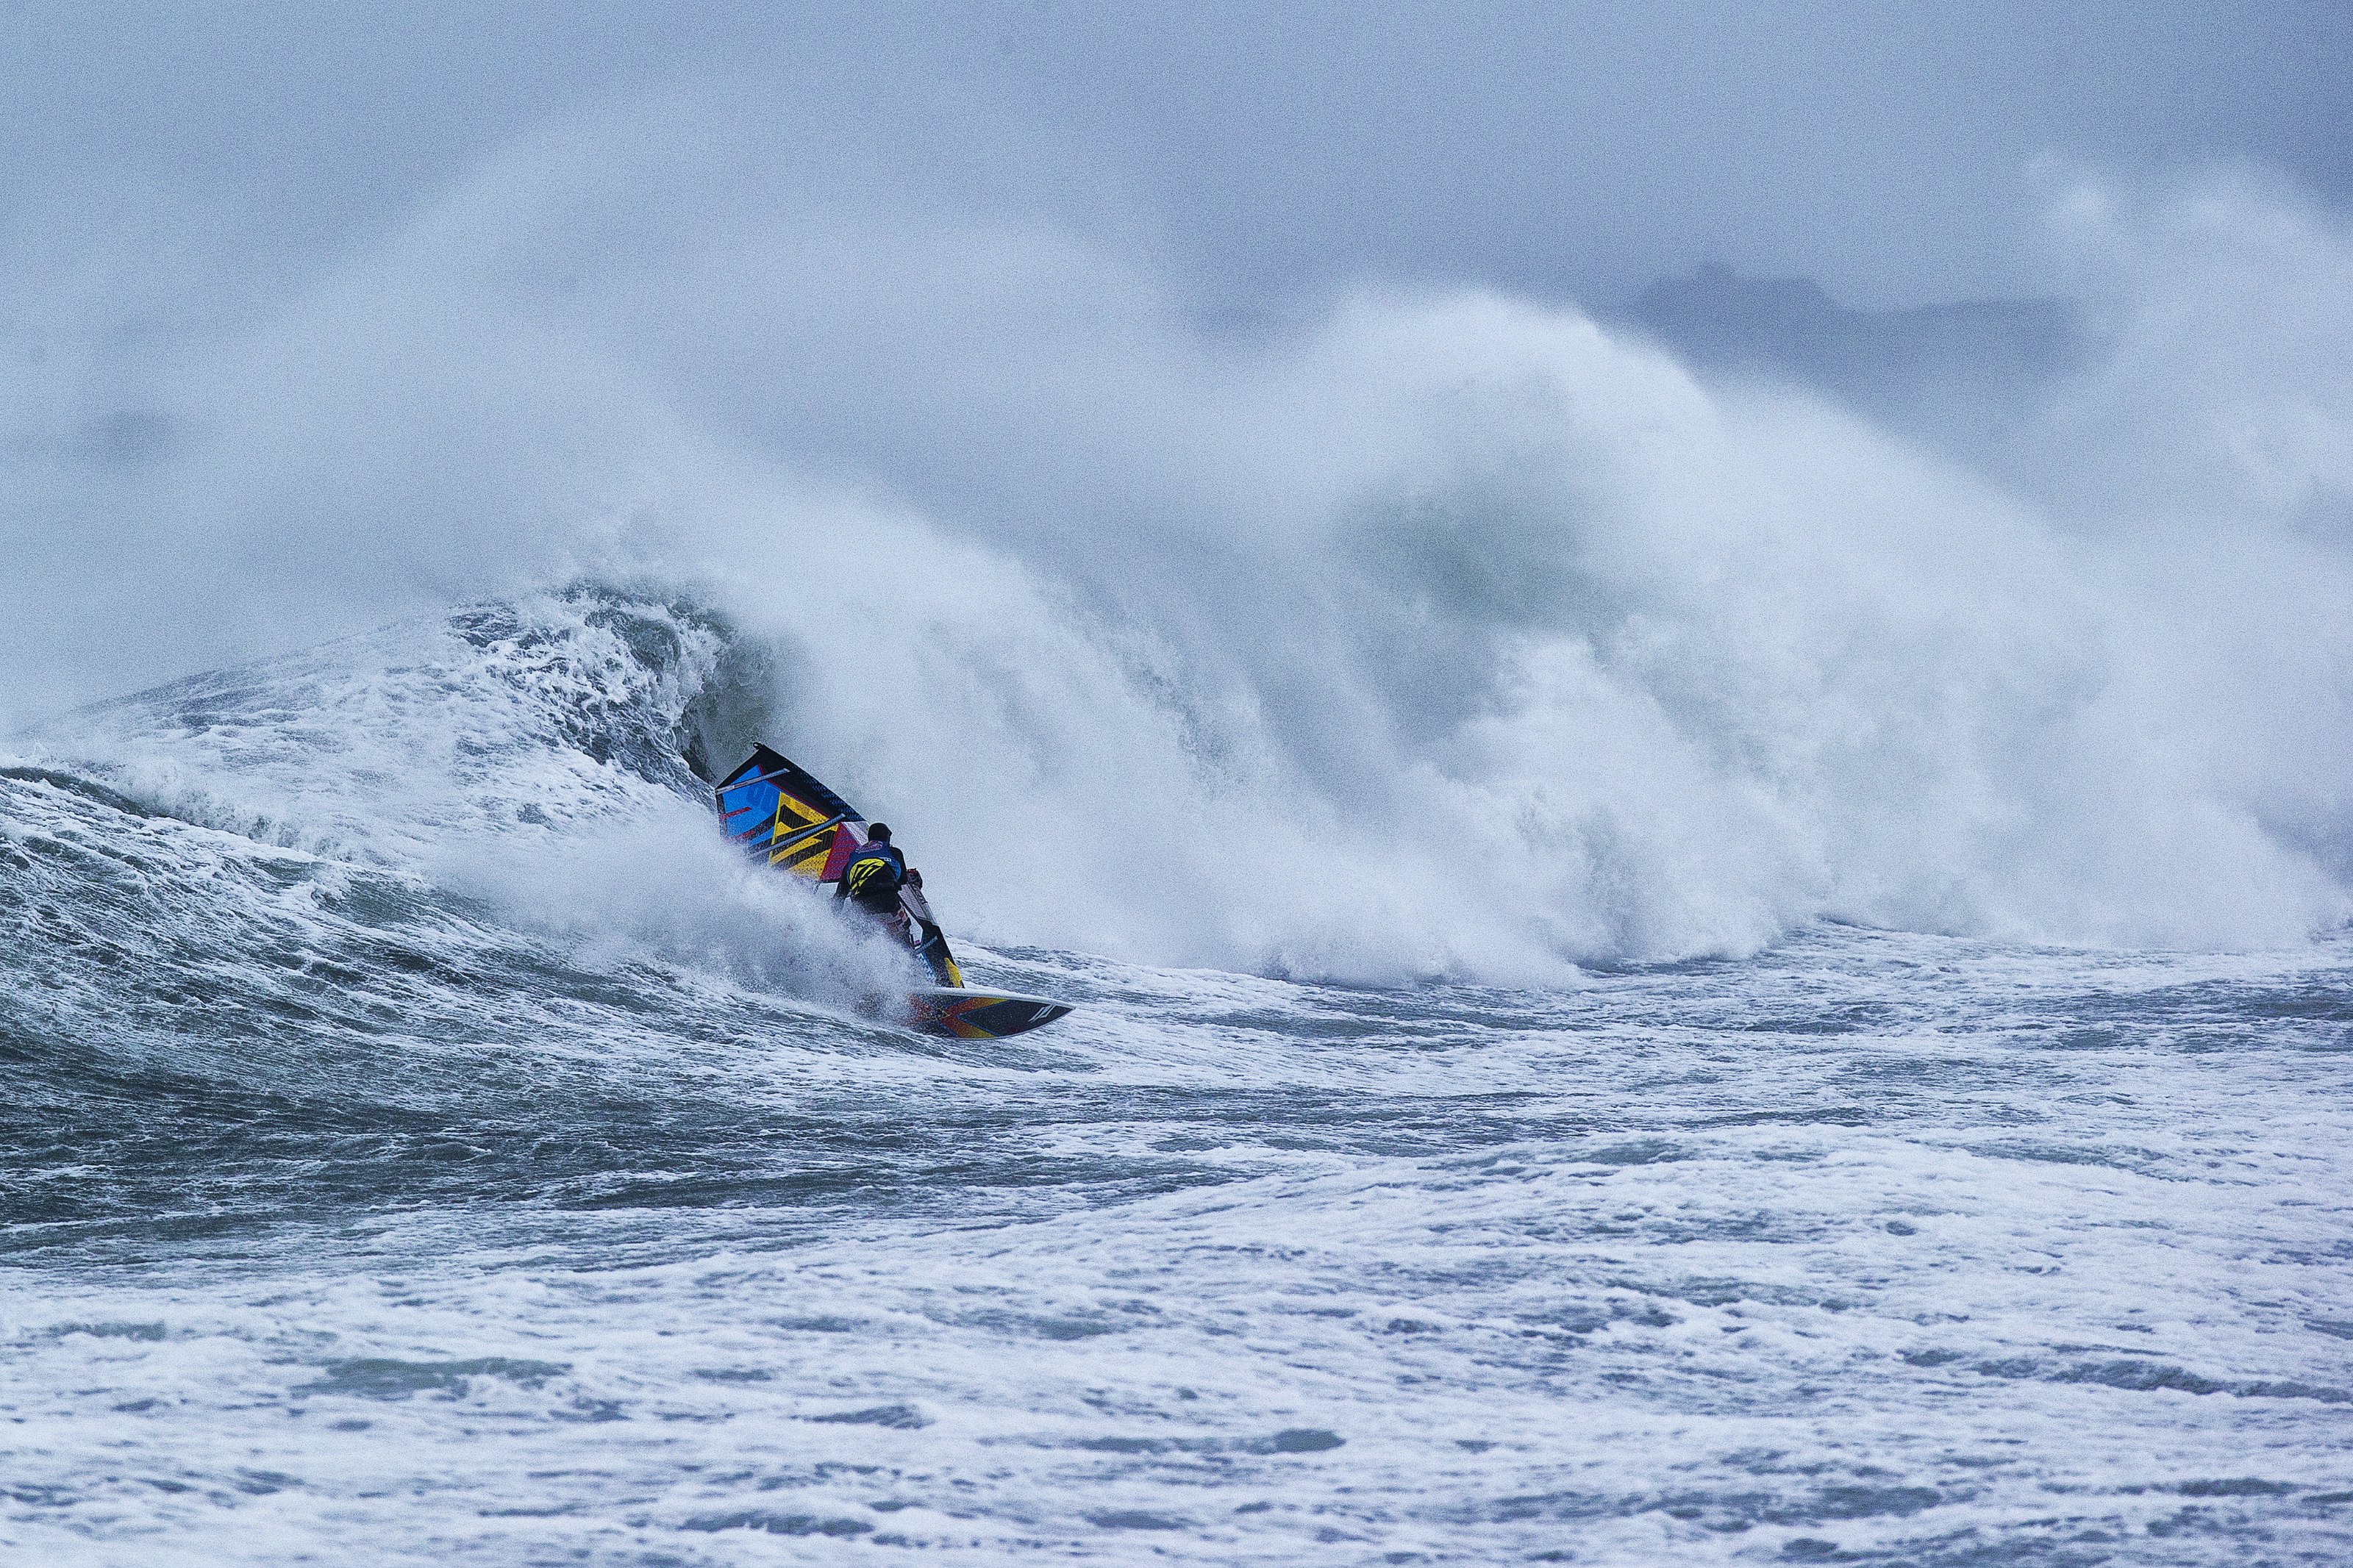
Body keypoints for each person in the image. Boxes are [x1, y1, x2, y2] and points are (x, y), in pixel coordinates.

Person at [836, 823, 916, 916]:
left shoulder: (853, 857)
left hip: (861, 905)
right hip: (888, 900)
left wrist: (833, 918)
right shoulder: (895, 852)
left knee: (859, 918)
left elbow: (840, 894)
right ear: (887, 838)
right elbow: (903, 880)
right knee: (902, 925)